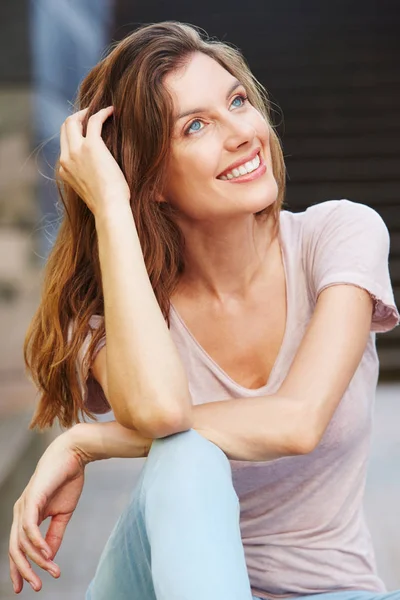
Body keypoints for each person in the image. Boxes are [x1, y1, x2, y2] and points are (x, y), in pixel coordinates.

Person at [8, 20, 400, 600]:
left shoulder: (337, 236)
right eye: (196, 126)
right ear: (149, 179)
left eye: (238, 101)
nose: (242, 133)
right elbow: (165, 413)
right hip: (151, 581)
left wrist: (88, 441)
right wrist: (113, 204)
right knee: (186, 455)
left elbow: (297, 421)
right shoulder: (108, 318)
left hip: (331, 587)